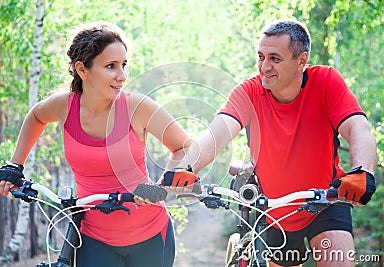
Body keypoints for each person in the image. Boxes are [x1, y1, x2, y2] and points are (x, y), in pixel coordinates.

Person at [161, 19, 377, 266]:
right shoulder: (249, 93)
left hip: (324, 202)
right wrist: (186, 168)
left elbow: (358, 128)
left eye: (275, 58)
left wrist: (362, 172)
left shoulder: (326, 82)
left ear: (301, 61)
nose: (265, 67)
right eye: (261, 57)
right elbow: (215, 135)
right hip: (273, 211)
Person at [0, 21, 190, 267]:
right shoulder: (64, 107)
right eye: (111, 66)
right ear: (82, 69)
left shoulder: (137, 107)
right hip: (94, 238)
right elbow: (36, 116)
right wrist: (15, 165)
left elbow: (184, 147)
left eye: (124, 65)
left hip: (149, 235)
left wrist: (161, 188)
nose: (122, 76)